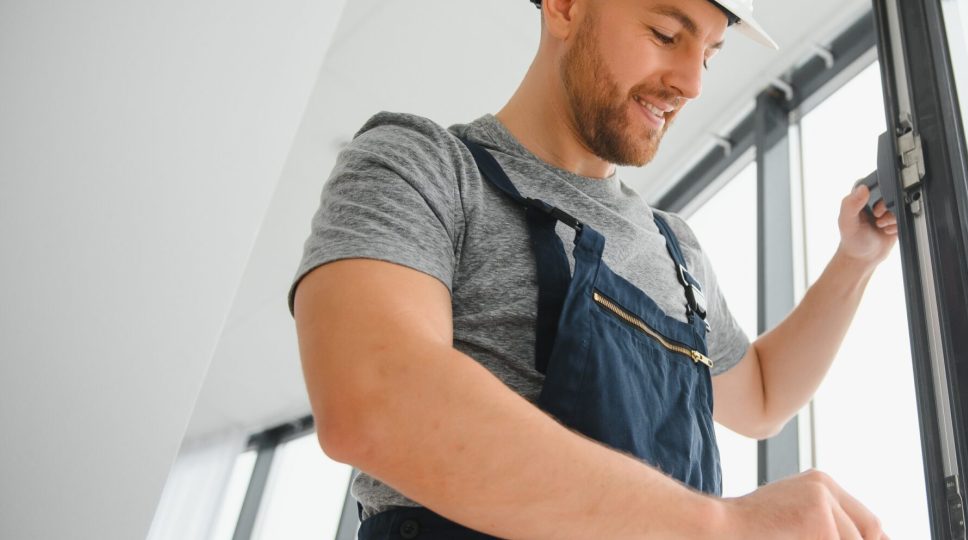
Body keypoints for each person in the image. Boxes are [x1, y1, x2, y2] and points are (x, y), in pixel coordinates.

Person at [289, 0, 900, 537]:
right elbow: (375, 399)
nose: (691, 83)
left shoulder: (676, 250)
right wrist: (719, 527)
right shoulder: (423, 166)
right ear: (563, 5)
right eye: (665, 34)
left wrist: (855, 261)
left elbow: (762, 396)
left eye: (709, 55)